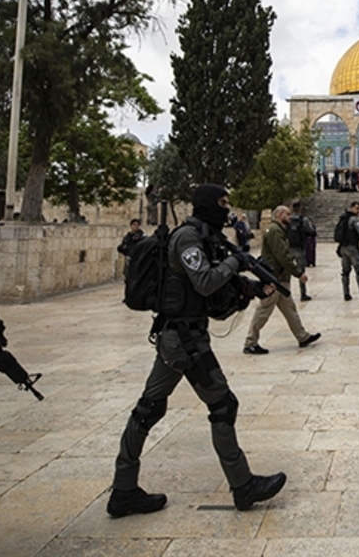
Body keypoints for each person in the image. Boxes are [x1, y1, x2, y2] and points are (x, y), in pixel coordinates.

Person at [109, 184, 286, 517]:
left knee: (148, 409)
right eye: (222, 203)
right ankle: (243, 485)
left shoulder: (205, 236)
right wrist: (237, 262)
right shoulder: (187, 238)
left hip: (179, 337)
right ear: (206, 204)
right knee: (222, 404)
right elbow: (205, 280)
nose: (226, 208)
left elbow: (206, 290)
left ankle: (123, 490)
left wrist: (251, 287)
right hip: (184, 340)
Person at [244, 205, 321, 354]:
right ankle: (250, 342)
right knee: (264, 309)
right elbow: (282, 256)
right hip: (275, 278)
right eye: (287, 214)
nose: (290, 217)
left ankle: (302, 336)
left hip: (280, 277)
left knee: (289, 309)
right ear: (279, 215)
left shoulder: (277, 230)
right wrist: (299, 273)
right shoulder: (275, 231)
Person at [286, 202, 316, 301]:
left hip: (288, 248)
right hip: (299, 248)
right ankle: (303, 294)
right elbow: (311, 232)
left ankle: (284, 293)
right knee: (301, 271)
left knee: (286, 271)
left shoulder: (287, 219)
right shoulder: (303, 220)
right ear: (300, 209)